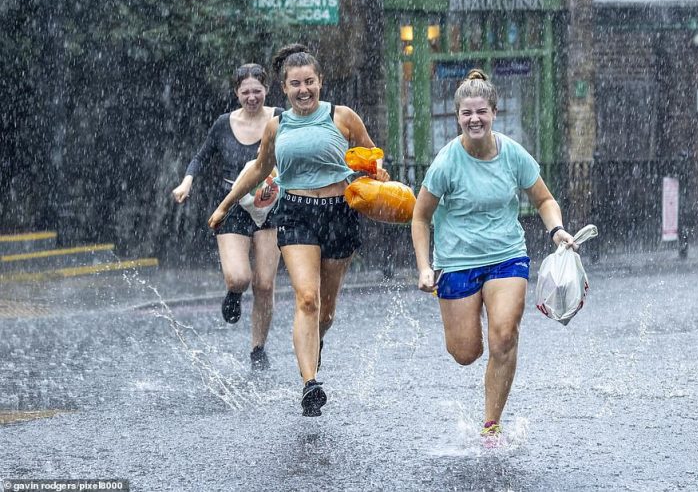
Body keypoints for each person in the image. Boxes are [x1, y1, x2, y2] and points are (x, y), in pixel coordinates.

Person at [208, 44, 389, 417]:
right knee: (307, 298)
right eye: (295, 84)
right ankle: (310, 384)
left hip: (340, 212)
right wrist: (226, 205)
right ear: (284, 88)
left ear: (320, 82)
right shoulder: (278, 125)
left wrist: (378, 173)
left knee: (325, 312)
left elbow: (371, 156)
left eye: (309, 82)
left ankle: (314, 345)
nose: (303, 89)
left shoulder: (343, 117)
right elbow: (258, 170)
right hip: (296, 213)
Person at [410, 69, 577, 441]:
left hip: (506, 256)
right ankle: (473, 331)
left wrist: (557, 230)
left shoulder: (513, 154)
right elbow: (420, 217)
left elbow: (544, 199)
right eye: (467, 113)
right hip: (456, 262)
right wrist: (424, 267)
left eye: (481, 112)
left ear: (494, 113)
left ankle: (490, 425)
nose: (474, 119)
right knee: (465, 352)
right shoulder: (446, 162)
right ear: (457, 117)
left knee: (504, 336)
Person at [172, 63, 283, 370]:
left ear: (266, 90)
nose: (251, 97)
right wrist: (187, 181)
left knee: (264, 284)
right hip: (232, 204)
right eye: (245, 92)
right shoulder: (224, 123)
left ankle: (258, 349)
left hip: (269, 205)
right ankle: (234, 293)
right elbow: (201, 156)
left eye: (257, 91)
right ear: (236, 93)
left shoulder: (279, 119)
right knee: (240, 277)